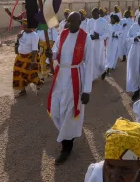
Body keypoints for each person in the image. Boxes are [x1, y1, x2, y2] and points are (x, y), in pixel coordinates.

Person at [45, 12, 94, 164]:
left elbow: (90, 63)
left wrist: (87, 90)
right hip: (60, 76)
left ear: (80, 22)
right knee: (55, 109)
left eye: (73, 21)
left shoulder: (85, 38)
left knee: (69, 111)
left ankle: (67, 146)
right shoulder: (63, 33)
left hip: (75, 77)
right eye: (68, 21)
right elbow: (56, 51)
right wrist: (50, 55)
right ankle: (67, 135)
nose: (69, 24)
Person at [84, 118, 140, 182]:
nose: (115, 177)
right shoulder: (94, 173)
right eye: (110, 166)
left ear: (139, 163)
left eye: (124, 169)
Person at [13, 21, 40, 96]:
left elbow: (34, 49)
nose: (24, 28)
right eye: (23, 26)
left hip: (29, 57)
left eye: (26, 26)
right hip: (20, 56)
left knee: (31, 73)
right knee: (18, 73)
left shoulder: (34, 35)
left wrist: (32, 61)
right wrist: (18, 38)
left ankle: (38, 83)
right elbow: (20, 43)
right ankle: (22, 90)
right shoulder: (22, 32)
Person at [88, 8, 109, 81]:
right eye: (92, 14)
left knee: (99, 60)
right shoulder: (90, 21)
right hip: (90, 43)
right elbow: (87, 31)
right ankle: (92, 77)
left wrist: (99, 37)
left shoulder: (103, 21)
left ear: (98, 13)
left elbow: (107, 33)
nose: (93, 15)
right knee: (91, 59)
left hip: (99, 44)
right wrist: (90, 36)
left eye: (94, 14)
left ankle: (103, 71)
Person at [103, 14, 123, 80]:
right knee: (108, 54)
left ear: (115, 19)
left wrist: (116, 34)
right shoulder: (108, 26)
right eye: (111, 19)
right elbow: (106, 33)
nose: (111, 20)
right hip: (109, 42)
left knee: (113, 55)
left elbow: (121, 33)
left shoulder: (118, 26)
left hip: (115, 42)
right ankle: (108, 66)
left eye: (112, 19)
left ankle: (108, 68)